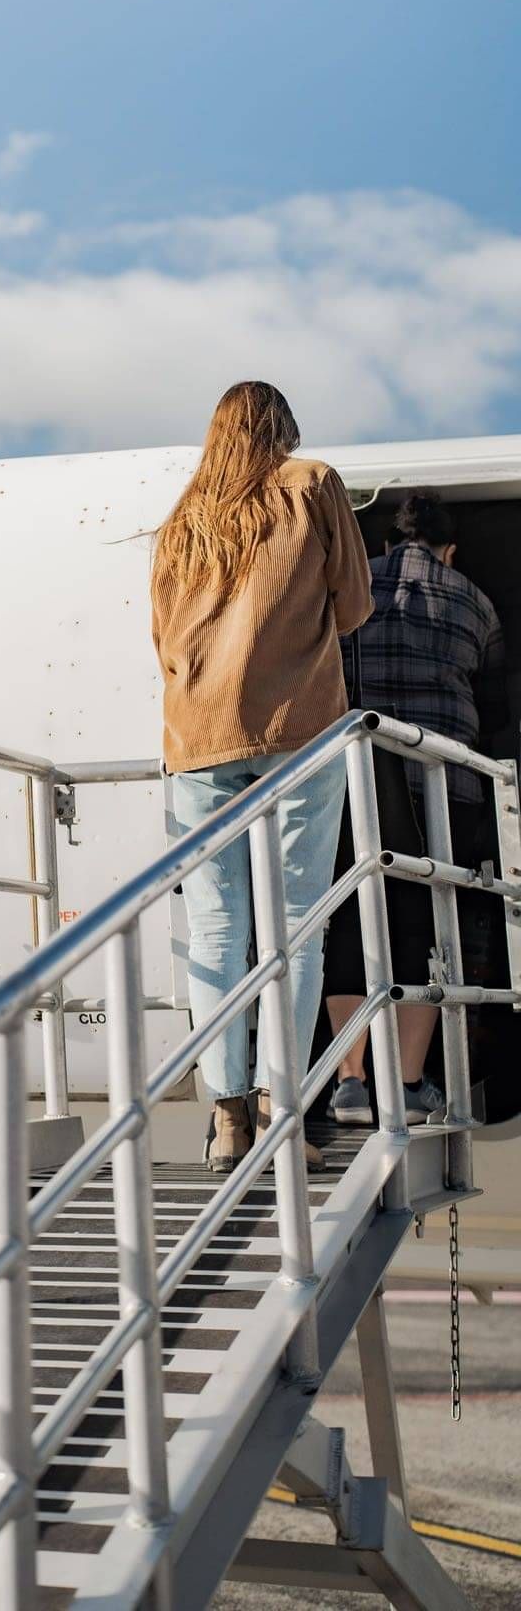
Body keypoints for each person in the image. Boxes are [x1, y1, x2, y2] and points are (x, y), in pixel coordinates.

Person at [151, 381, 373, 1174]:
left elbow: (160, 635)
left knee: (216, 932)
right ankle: (287, 1114)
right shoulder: (310, 484)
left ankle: (227, 1120)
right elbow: (354, 606)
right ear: (282, 428)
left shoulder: (183, 515)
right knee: (296, 926)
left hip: (196, 738)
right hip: (294, 730)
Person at [324, 492, 508, 1125]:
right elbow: (491, 673)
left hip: (359, 778)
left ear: (384, 544)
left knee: (350, 919)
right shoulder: (474, 599)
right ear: (449, 549)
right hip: (444, 784)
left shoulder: (357, 584)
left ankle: (349, 1083)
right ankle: (404, 1083)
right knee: (429, 927)